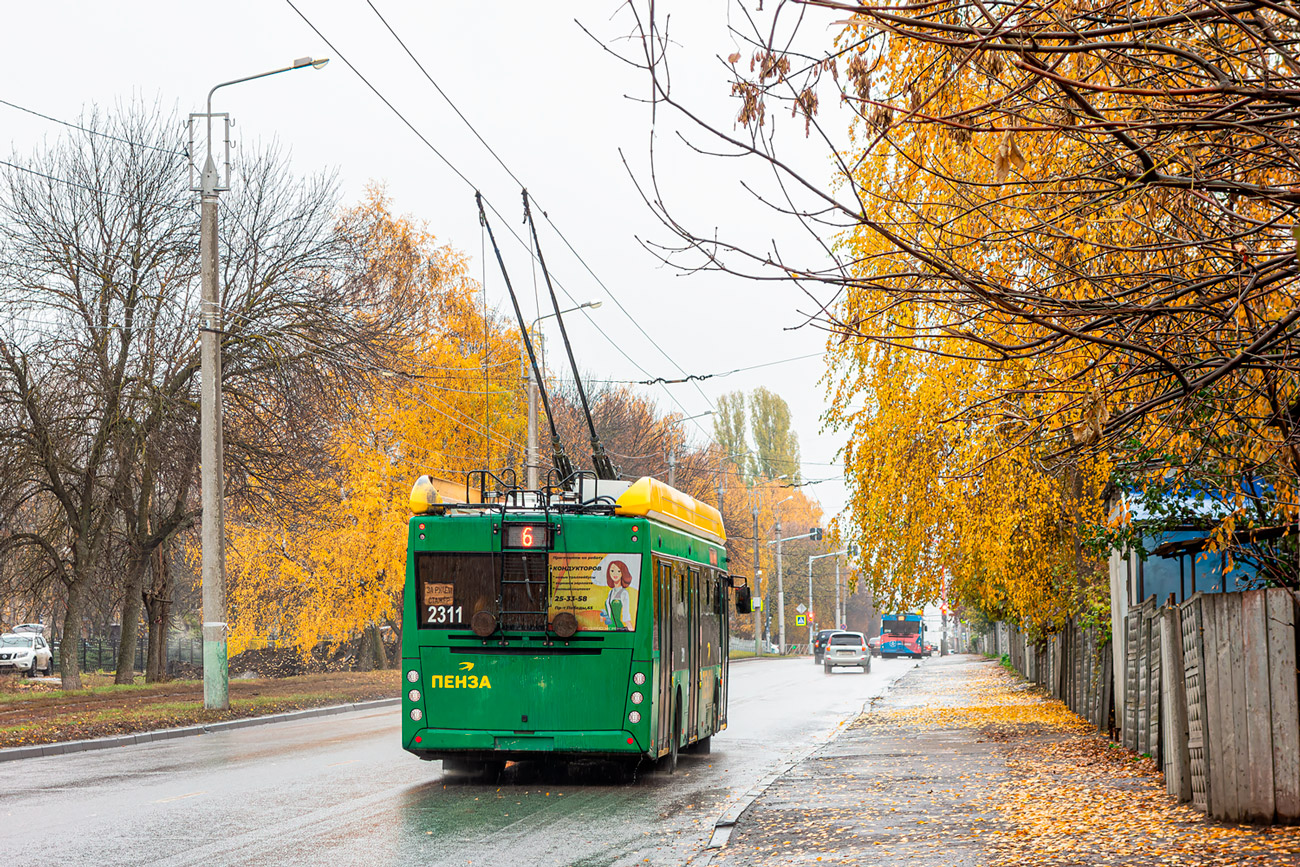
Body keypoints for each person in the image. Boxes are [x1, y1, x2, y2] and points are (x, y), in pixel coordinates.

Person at [601, 559, 634, 630]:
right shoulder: (611, 592)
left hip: (619, 629)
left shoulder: (624, 593)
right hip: (610, 629)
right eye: (612, 571)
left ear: (623, 573)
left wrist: (632, 631)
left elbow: (626, 616)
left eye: (618, 571)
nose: (615, 574)